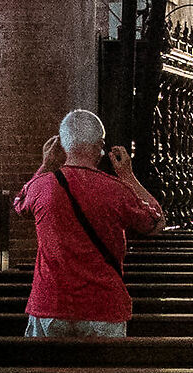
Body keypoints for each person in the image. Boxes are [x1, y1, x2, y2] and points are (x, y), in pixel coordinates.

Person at [11, 108, 164, 338]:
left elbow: (19, 204)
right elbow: (155, 222)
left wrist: (46, 165)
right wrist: (128, 176)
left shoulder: (42, 187)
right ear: (100, 147)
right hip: (103, 306)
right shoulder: (116, 190)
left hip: (51, 303)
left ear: (62, 145)